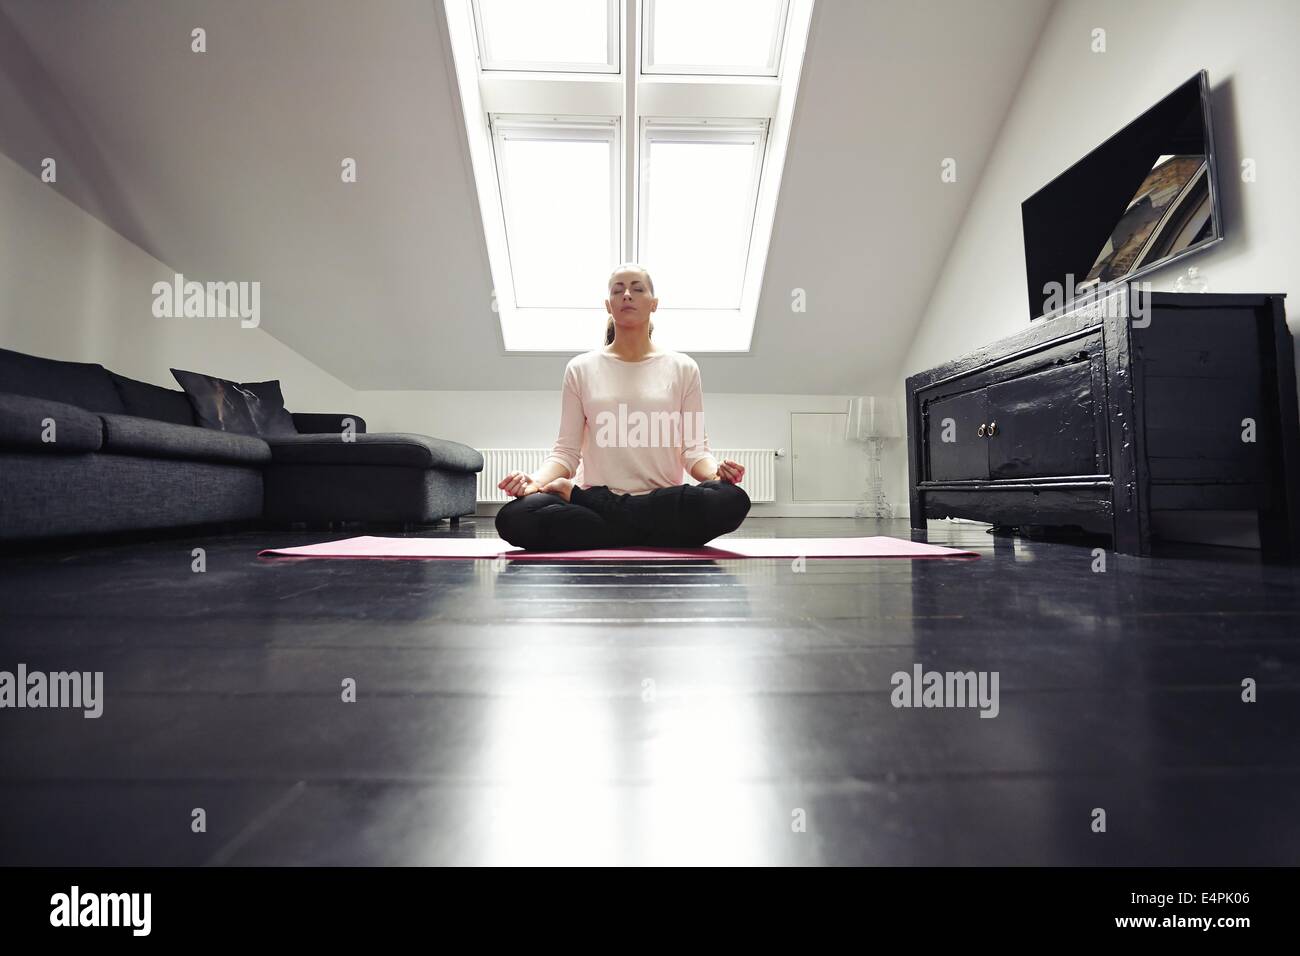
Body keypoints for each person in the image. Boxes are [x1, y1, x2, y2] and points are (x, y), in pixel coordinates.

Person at [495, 264, 751, 551]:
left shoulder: (684, 368)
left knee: (731, 500)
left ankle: (607, 522)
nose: (627, 294)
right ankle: (650, 532)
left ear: (654, 304)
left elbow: (694, 451)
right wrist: (536, 481)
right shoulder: (580, 368)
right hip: (643, 509)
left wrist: (717, 473)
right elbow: (566, 453)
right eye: (618, 290)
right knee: (513, 518)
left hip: (643, 498)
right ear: (609, 305)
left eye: (637, 289)